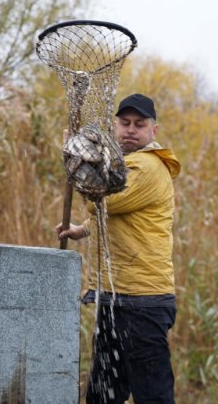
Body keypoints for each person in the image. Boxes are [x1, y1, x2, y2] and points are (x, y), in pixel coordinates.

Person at [56, 93, 181, 404]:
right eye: (124, 123)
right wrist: (81, 230)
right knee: (103, 395)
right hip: (116, 299)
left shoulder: (148, 166)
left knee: (152, 396)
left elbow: (106, 199)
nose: (130, 130)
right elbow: (112, 214)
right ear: (115, 127)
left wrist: (76, 157)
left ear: (154, 131)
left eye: (140, 124)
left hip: (142, 301)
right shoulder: (122, 165)